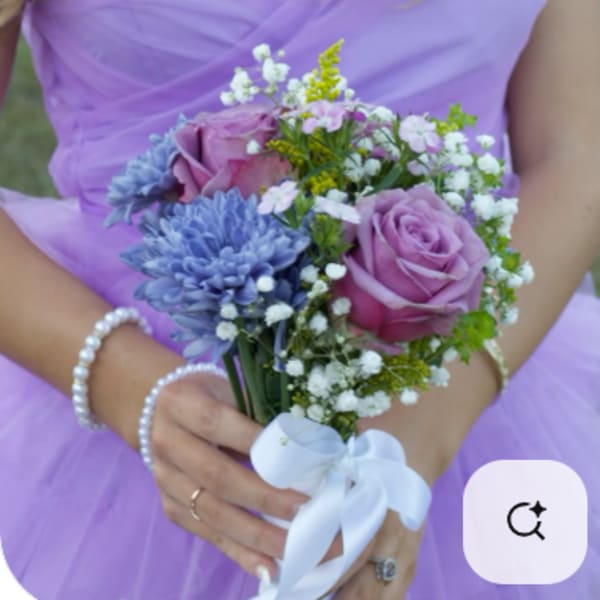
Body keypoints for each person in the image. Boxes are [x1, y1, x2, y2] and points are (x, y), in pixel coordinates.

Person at [1, 0, 599, 598]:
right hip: (120, 407)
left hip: (468, 376)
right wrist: (125, 383)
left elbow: (573, 152)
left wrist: (430, 424)